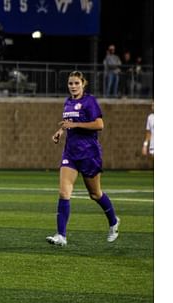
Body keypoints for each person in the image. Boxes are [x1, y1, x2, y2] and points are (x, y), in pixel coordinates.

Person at [47, 71, 120, 246]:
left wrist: (75, 124)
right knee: (64, 192)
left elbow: (99, 124)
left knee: (95, 194)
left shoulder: (90, 101)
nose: (73, 86)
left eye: (76, 83)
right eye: (70, 83)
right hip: (70, 154)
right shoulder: (68, 102)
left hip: (89, 154)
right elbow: (68, 123)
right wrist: (60, 131)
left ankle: (113, 221)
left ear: (83, 84)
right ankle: (61, 235)